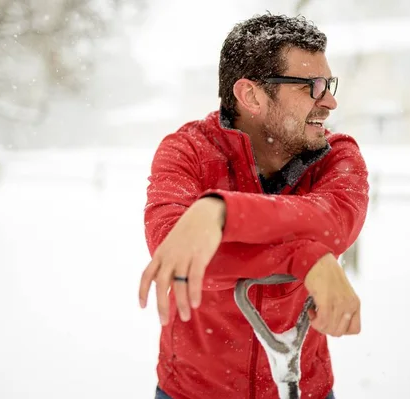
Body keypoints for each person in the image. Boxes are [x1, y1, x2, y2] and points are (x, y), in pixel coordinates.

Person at [138, 13, 370, 399]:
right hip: (192, 392)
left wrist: (221, 213)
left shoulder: (338, 155)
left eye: (328, 83)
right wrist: (304, 257)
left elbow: (333, 223)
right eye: (312, 86)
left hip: (305, 389)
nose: (330, 101)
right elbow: (173, 255)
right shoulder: (186, 153)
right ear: (250, 96)